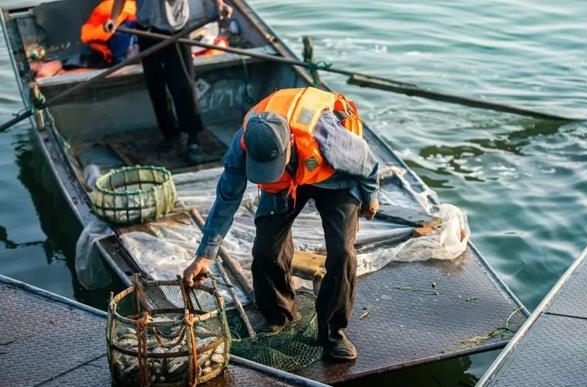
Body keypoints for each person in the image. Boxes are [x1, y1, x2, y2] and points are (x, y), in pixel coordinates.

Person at [182, 87, 380, 361]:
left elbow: (368, 163)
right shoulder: (243, 143)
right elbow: (227, 198)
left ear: (287, 147)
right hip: (286, 183)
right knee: (265, 249)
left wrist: (371, 197)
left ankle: (333, 333)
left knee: (343, 253)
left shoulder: (326, 137)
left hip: (334, 179)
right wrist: (205, 255)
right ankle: (279, 315)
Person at [105, 0, 233, 162]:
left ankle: (193, 136)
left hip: (175, 31)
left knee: (183, 84)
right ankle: (170, 133)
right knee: (155, 84)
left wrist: (220, 4)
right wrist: (114, 20)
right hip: (146, 31)